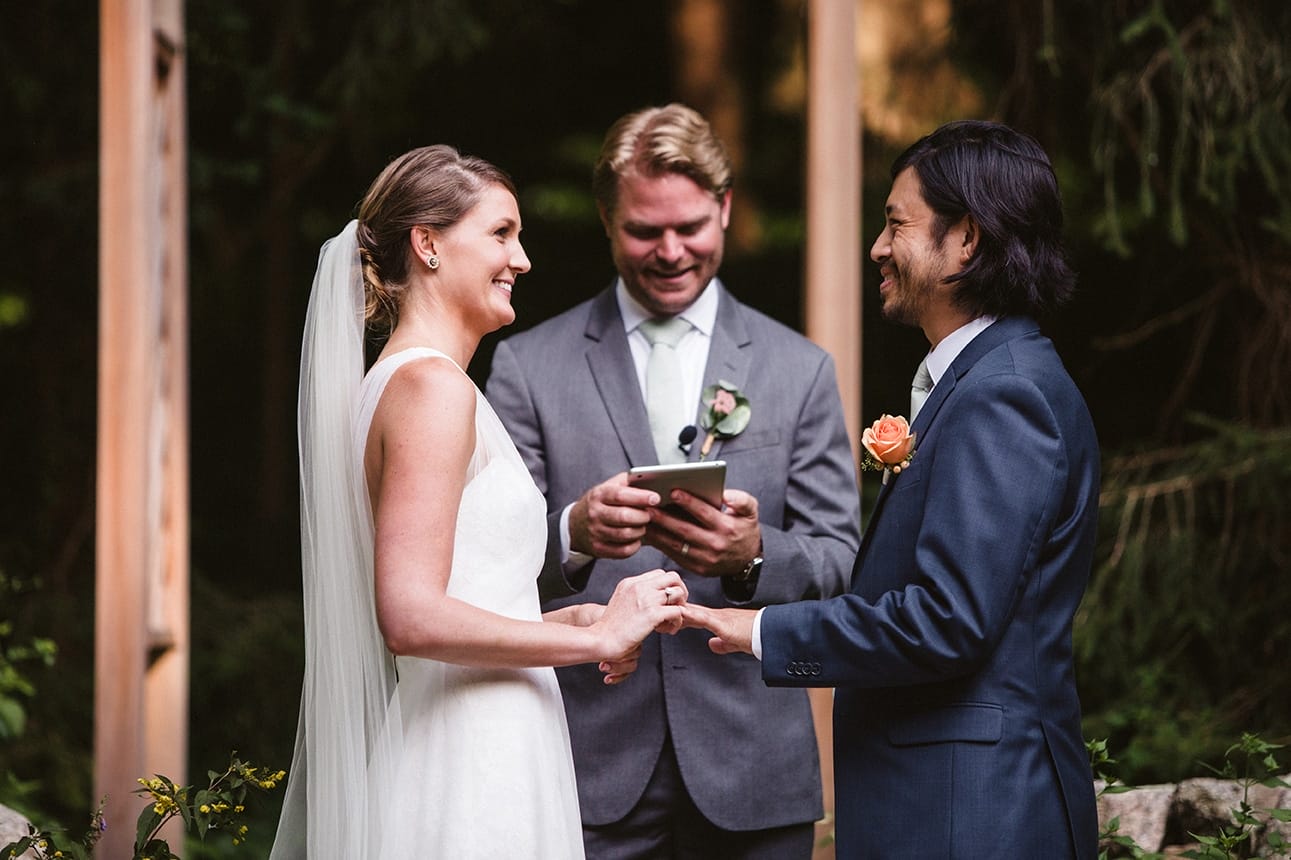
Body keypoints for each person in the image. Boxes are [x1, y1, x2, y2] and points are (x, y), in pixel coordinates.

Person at [683, 119, 1101, 858]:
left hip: (971, 814)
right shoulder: (989, 380)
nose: (876, 248)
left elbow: (948, 621)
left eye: (894, 224)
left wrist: (763, 632)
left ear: (965, 239)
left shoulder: (1003, 395)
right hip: (951, 803)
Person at [271, 145, 690, 859]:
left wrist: (577, 615)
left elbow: (464, 587)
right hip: (470, 761)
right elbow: (409, 613)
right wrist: (593, 641)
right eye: (500, 233)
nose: (522, 259)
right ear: (427, 245)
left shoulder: (409, 383)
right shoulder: (430, 388)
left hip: (490, 738)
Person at [486, 104, 861, 858]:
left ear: (724, 209)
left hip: (753, 767)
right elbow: (482, 567)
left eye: (689, 227)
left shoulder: (800, 369)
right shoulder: (526, 366)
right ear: (604, 218)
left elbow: (841, 562)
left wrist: (753, 556)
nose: (668, 251)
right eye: (642, 230)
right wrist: (572, 535)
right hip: (586, 765)